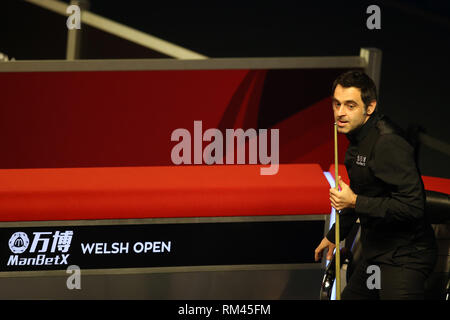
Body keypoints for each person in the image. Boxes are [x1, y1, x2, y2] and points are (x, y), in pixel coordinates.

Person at [314, 70, 437, 299]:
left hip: (405, 258)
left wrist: (355, 201)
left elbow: (413, 207)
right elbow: (360, 194)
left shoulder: (387, 143)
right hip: (376, 255)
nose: (340, 113)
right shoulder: (357, 141)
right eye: (337, 104)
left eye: (350, 106)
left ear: (369, 107)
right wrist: (334, 235)